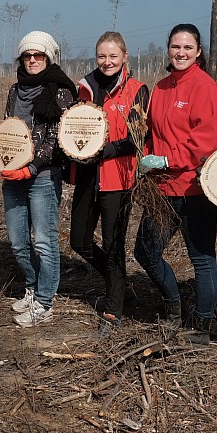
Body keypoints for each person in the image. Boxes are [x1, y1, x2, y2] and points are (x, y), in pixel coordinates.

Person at [133, 23, 217, 344]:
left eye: (188, 47)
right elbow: (151, 133)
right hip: (162, 189)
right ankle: (173, 304)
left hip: (194, 188)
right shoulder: (160, 87)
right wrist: (146, 158)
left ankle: (201, 325)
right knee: (146, 251)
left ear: (198, 52)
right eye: (176, 47)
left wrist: (168, 160)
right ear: (168, 49)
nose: (181, 52)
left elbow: (205, 143)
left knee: (202, 259)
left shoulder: (205, 87)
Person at [69, 31, 148, 337]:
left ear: (125, 57)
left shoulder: (137, 90)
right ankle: (120, 283)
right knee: (80, 241)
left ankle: (113, 310)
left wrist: (107, 150)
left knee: (114, 247)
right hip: (88, 175)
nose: (107, 62)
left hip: (118, 177)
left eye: (113, 56)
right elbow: (76, 127)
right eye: (102, 56)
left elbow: (137, 138)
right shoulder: (85, 88)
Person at [1, 31, 77, 328]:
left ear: (49, 58)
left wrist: (31, 168)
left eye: (39, 55)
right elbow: (10, 130)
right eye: (27, 55)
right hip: (14, 176)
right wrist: (1, 158)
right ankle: (32, 287)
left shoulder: (60, 91)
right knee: (18, 242)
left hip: (43, 176)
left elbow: (58, 138)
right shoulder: (14, 91)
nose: (32, 60)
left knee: (44, 242)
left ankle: (45, 303)